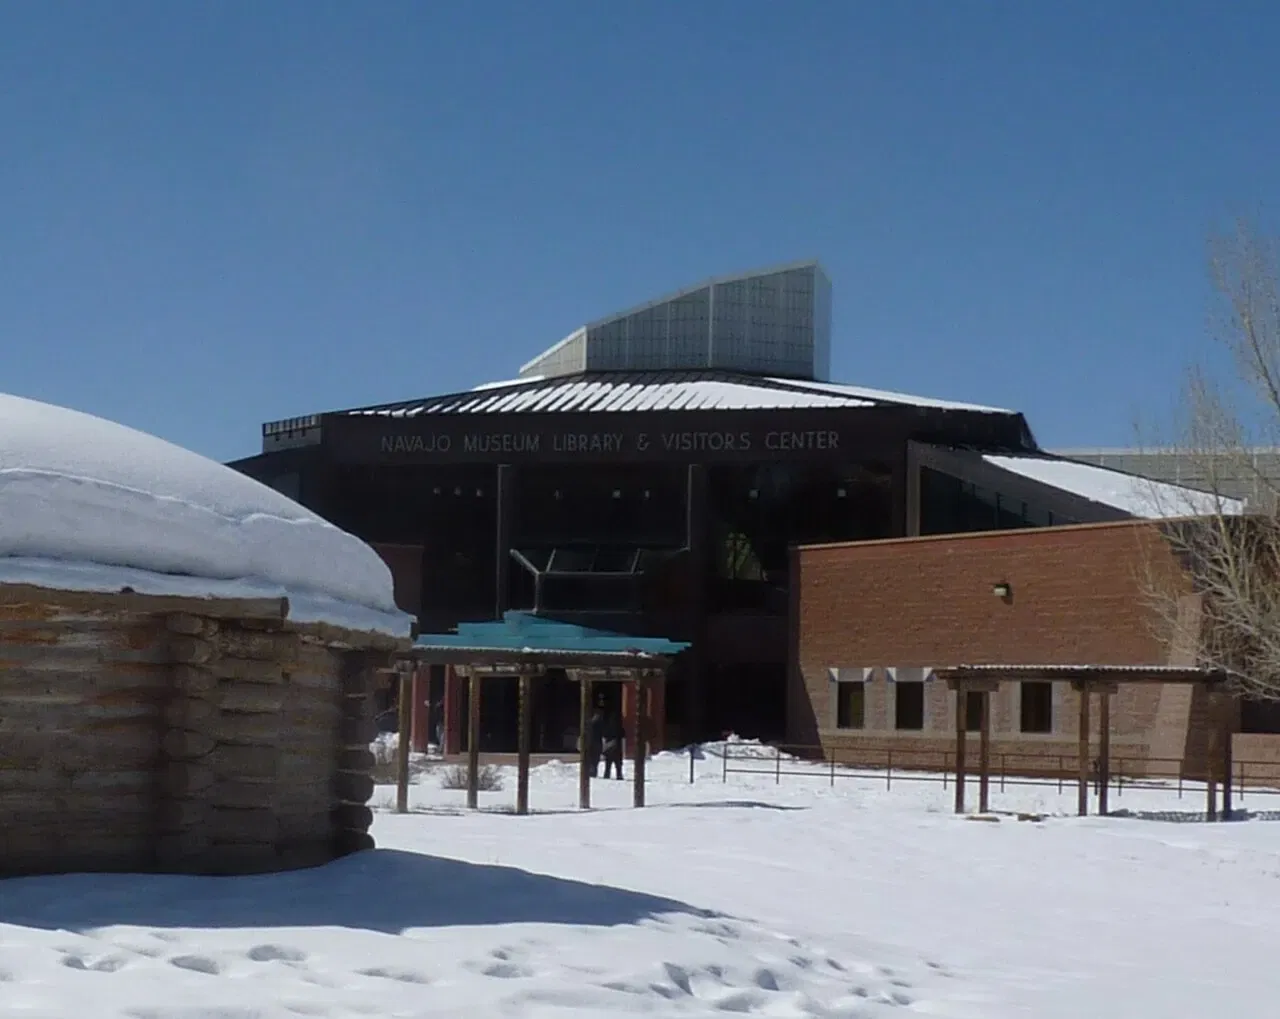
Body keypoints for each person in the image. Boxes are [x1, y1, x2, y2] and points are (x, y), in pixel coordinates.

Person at [602, 708, 624, 780]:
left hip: (609, 748)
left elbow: (604, 736)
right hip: (617, 747)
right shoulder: (619, 727)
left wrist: (604, 748)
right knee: (618, 765)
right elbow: (623, 737)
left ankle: (606, 775)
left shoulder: (607, 727)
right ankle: (619, 775)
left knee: (608, 764)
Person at [584, 705, 605, 778]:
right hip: (596, 744)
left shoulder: (591, 722)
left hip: (592, 743)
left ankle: (591, 772)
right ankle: (593, 772)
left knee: (592, 760)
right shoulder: (600, 722)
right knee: (595, 760)